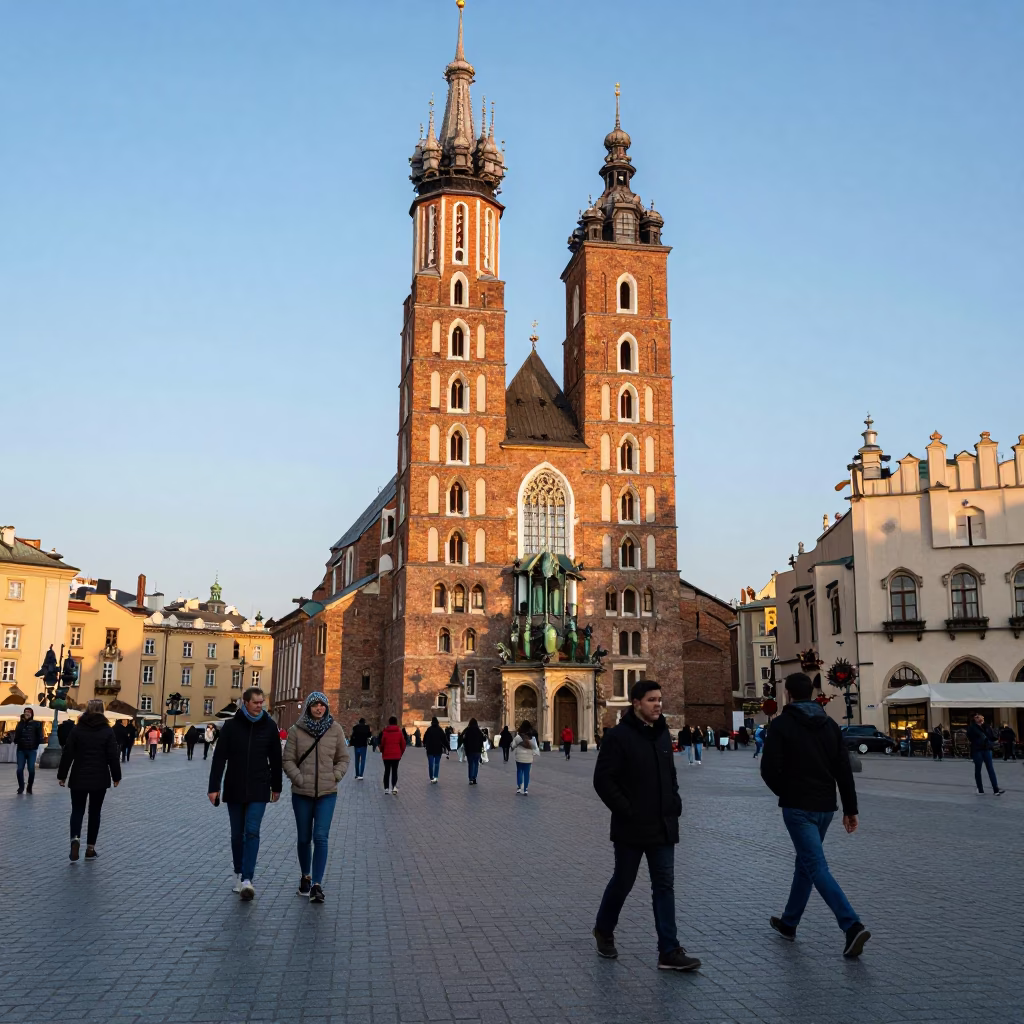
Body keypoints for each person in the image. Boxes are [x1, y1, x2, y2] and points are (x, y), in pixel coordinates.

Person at [760, 672, 870, 958]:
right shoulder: (830, 725)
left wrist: (787, 792)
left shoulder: (781, 725)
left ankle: (851, 925)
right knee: (806, 864)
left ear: (788, 695)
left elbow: (768, 770)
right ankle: (789, 923)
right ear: (811, 693)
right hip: (825, 807)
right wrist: (850, 808)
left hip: (799, 808)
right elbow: (843, 770)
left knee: (815, 865)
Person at [592, 681, 700, 972]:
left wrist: (674, 800)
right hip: (631, 826)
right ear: (636, 703)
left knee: (664, 885)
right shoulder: (619, 737)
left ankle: (669, 950)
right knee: (623, 882)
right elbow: (603, 781)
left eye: (660, 700)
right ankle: (604, 928)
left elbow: (670, 773)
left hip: (664, 824)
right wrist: (627, 810)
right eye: (652, 700)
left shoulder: (663, 734)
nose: (658, 705)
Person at [207, 687, 283, 901]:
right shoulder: (231, 727)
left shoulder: (269, 727)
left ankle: (248, 879)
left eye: (262, 702)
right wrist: (214, 787)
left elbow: (276, 759)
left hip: (260, 787)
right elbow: (219, 758)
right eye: (256, 702)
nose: (261, 706)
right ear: (246, 702)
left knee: (252, 831)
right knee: (236, 834)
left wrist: (276, 787)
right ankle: (239, 872)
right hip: (234, 786)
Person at [282, 692, 349, 904]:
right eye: (315, 705)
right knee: (304, 838)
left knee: (320, 837)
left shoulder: (335, 729)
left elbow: (343, 758)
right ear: (308, 708)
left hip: (327, 793)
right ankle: (306, 876)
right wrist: (299, 779)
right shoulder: (296, 731)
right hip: (302, 793)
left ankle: (317, 885)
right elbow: (288, 760)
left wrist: (335, 775)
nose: (319, 708)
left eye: (322, 705)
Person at [57, 699, 121, 861]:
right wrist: (116, 776)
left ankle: (75, 839)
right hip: (100, 778)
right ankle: (90, 848)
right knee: (95, 812)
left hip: (78, 776)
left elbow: (68, 752)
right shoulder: (107, 731)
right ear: (102, 711)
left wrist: (62, 775)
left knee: (77, 810)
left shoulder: (77, 729)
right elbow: (113, 755)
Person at [966, 714, 1005, 795]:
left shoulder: (987, 726)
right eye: (976, 717)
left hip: (987, 749)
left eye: (979, 717)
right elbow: (970, 737)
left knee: (991, 769)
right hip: (977, 750)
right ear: (974, 719)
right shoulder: (972, 727)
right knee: (978, 770)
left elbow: (992, 737)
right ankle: (980, 789)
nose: (978, 718)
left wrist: (996, 736)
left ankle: (996, 789)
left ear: (983, 718)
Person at [14, 707, 44, 794]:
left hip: (31, 750)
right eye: (25, 712)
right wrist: (17, 741)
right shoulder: (20, 723)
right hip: (21, 750)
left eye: (28, 712)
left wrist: (35, 746)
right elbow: (17, 735)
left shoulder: (37, 724)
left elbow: (40, 737)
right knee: (19, 769)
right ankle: (21, 787)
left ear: (32, 714)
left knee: (31, 769)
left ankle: (29, 786)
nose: (27, 713)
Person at [511, 720, 540, 795]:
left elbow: (513, 745)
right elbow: (535, 746)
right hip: (528, 756)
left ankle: (519, 787)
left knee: (519, 771)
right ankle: (525, 789)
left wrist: (513, 747)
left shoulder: (518, 736)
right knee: (526, 773)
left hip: (519, 756)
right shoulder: (531, 737)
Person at [379, 716, 406, 794]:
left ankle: (386, 788)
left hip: (386, 755)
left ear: (389, 723)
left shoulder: (385, 732)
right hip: (396, 755)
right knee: (394, 771)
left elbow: (382, 744)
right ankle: (394, 787)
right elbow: (403, 744)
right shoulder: (399, 732)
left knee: (387, 771)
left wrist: (382, 751)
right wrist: (400, 753)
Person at [459, 718, 486, 785]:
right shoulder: (478, 731)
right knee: (476, 764)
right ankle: (474, 778)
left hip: (469, 750)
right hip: (477, 750)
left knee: (470, 764)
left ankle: (470, 778)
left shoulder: (467, 730)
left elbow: (462, 739)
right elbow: (483, 739)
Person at [423, 716, 447, 783]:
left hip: (430, 750)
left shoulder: (429, 729)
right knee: (436, 764)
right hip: (438, 750)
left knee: (431, 764)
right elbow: (444, 739)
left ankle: (431, 777)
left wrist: (425, 744)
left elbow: (424, 738)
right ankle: (436, 777)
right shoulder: (440, 729)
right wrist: (448, 747)